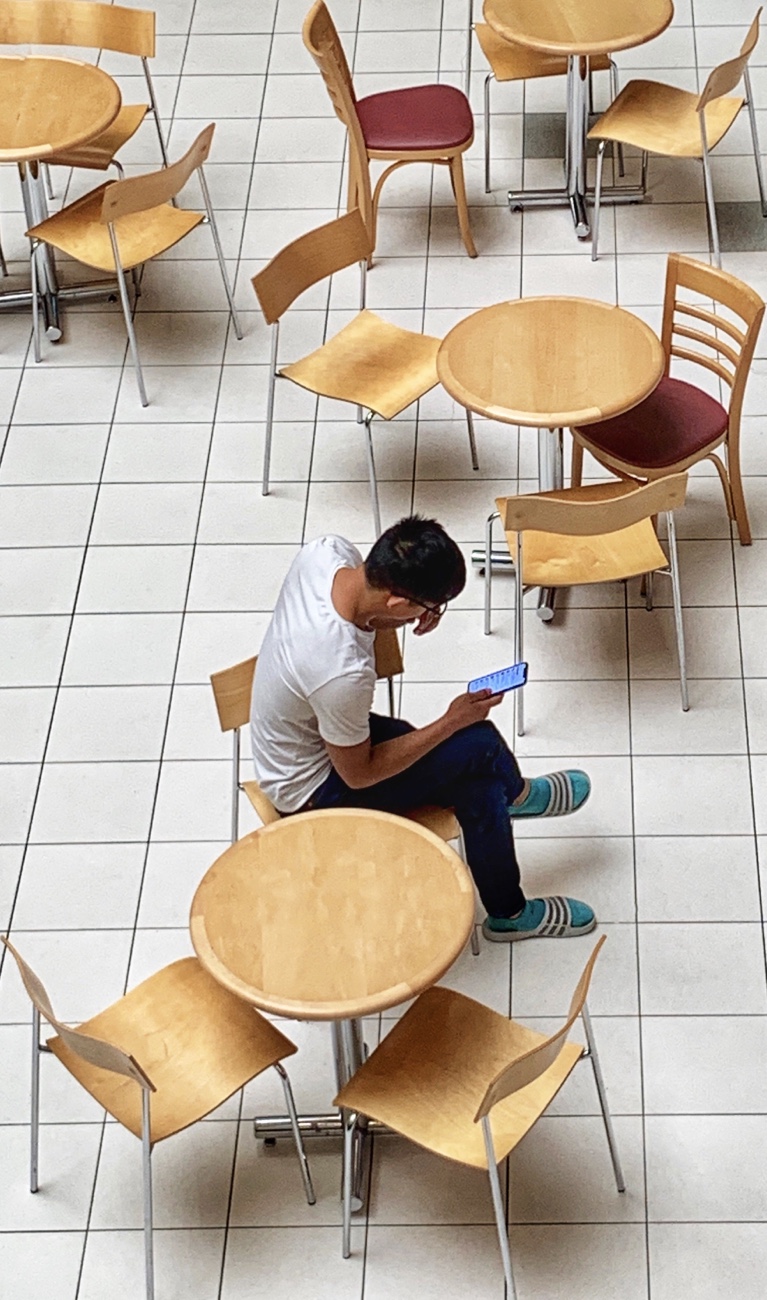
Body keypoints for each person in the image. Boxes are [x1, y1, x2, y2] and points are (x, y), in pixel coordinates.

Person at [250, 515, 596, 941]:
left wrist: (405, 613)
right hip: (313, 790)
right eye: (431, 607)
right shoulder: (340, 673)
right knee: (479, 743)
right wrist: (452, 720)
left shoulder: (326, 553)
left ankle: (510, 904)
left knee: (478, 785)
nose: (432, 615)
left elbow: (365, 623)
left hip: (306, 736)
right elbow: (358, 774)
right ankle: (516, 800)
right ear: (399, 603)